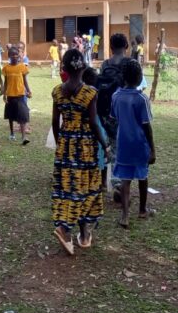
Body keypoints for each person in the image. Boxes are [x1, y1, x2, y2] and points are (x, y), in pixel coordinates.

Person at [51, 49, 107, 255]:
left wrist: (61, 145)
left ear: (64, 69)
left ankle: (83, 234)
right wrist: (105, 145)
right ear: (83, 67)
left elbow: (55, 123)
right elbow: (93, 122)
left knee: (69, 187)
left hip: (66, 145)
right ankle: (66, 229)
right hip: (85, 148)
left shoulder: (57, 91)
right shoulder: (90, 92)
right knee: (86, 187)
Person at [111, 59, 156, 228]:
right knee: (142, 176)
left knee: (125, 179)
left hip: (123, 143)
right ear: (139, 78)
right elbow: (147, 126)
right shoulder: (141, 99)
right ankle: (142, 210)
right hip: (139, 143)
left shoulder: (116, 96)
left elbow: (114, 117)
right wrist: (152, 149)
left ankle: (124, 215)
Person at [97, 33, 129, 201]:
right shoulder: (130, 63)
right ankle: (118, 185)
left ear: (110, 47)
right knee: (120, 147)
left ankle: (104, 180)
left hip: (105, 112)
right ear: (126, 47)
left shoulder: (105, 64)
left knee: (107, 145)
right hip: (124, 111)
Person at [2, 47, 31, 144]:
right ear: (9, 56)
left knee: (22, 115)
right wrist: (4, 94)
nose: (14, 56)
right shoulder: (6, 68)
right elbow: (5, 82)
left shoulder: (22, 66)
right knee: (11, 116)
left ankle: (23, 137)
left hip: (20, 95)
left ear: (19, 55)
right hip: (10, 95)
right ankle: (11, 133)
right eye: (12, 55)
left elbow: (25, 80)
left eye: (16, 54)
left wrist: (29, 90)